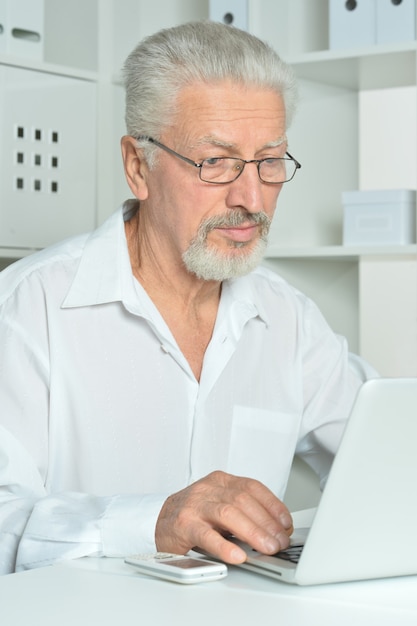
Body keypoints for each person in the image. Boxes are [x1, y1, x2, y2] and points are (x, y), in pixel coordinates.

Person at [0, 21, 376, 575]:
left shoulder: (287, 316)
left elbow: (384, 453)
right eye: (215, 161)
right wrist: (154, 522)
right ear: (138, 166)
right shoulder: (28, 309)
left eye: (269, 161)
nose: (251, 198)